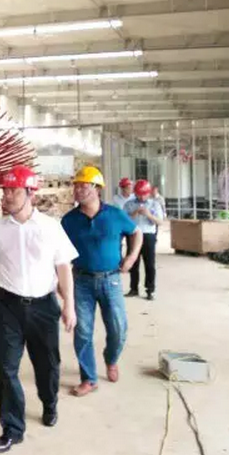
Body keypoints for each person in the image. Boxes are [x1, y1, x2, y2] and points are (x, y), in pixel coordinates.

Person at [0, 166, 78, 454]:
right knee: (6, 368)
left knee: (47, 365)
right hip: (8, 306)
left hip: (43, 306)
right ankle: (12, 428)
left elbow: (63, 267)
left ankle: (49, 402)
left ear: (30, 193)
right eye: (5, 191)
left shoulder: (50, 227)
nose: (7, 196)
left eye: (13, 191)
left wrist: (69, 305)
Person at [61, 167, 143, 397]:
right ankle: (89, 378)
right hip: (81, 281)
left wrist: (131, 257)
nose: (78, 190)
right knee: (82, 331)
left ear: (97, 189)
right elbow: (59, 253)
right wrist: (60, 282)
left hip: (111, 279)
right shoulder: (69, 221)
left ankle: (111, 358)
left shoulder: (115, 215)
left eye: (83, 186)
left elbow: (136, 232)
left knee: (118, 328)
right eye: (76, 186)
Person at [124, 180, 163, 300]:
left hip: (148, 235)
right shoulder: (129, 204)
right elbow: (123, 220)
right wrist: (134, 213)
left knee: (149, 264)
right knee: (133, 262)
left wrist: (149, 215)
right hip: (133, 235)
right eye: (138, 194)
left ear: (149, 193)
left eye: (144, 194)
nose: (141, 197)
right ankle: (133, 288)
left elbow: (160, 221)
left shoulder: (154, 204)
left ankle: (150, 290)